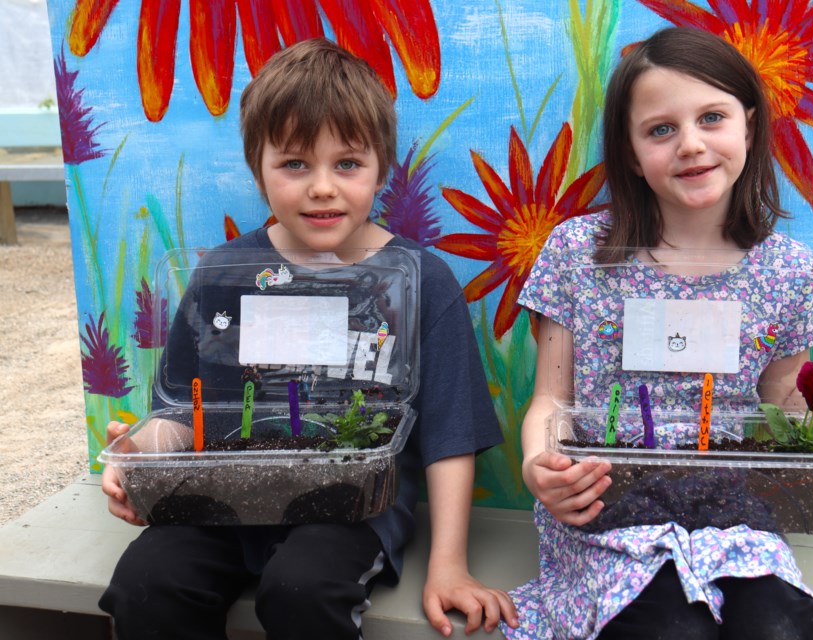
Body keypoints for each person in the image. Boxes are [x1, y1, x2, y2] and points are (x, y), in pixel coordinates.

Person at [99, 38, 519, 639]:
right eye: (295, 164)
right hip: (221, 495)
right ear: (258, 170)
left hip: (351, 506)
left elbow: (450, 434)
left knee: (304, 589)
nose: (323, 187)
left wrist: (449, 563)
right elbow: (181, 410)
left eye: (347, 163)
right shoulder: (223, 274)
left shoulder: (423, 280)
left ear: (381, 169)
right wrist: (144, 454)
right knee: (148, 583)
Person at [503, 27, 813, 640]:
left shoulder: (786, 270)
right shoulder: (579, 254)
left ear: (747, 125)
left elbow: (787, 420)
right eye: (661, 129)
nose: (690, 145)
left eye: (711, 117)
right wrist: (540, 463)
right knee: (667, 631)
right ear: (632, 153)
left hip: (735, 516)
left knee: (781, 628)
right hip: (611, 509)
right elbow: (551, 401)